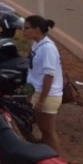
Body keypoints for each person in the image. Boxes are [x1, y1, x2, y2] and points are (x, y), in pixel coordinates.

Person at [23, 15, 63, 154]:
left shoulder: (47, 49)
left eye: (27, 28)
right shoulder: (37, 44)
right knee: (44, 131)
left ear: (37, 29)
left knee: (48, 133)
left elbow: (48, 76)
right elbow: (33, 73)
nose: (24, 31)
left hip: (47, 96)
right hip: (38, 93)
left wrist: (41, 100)